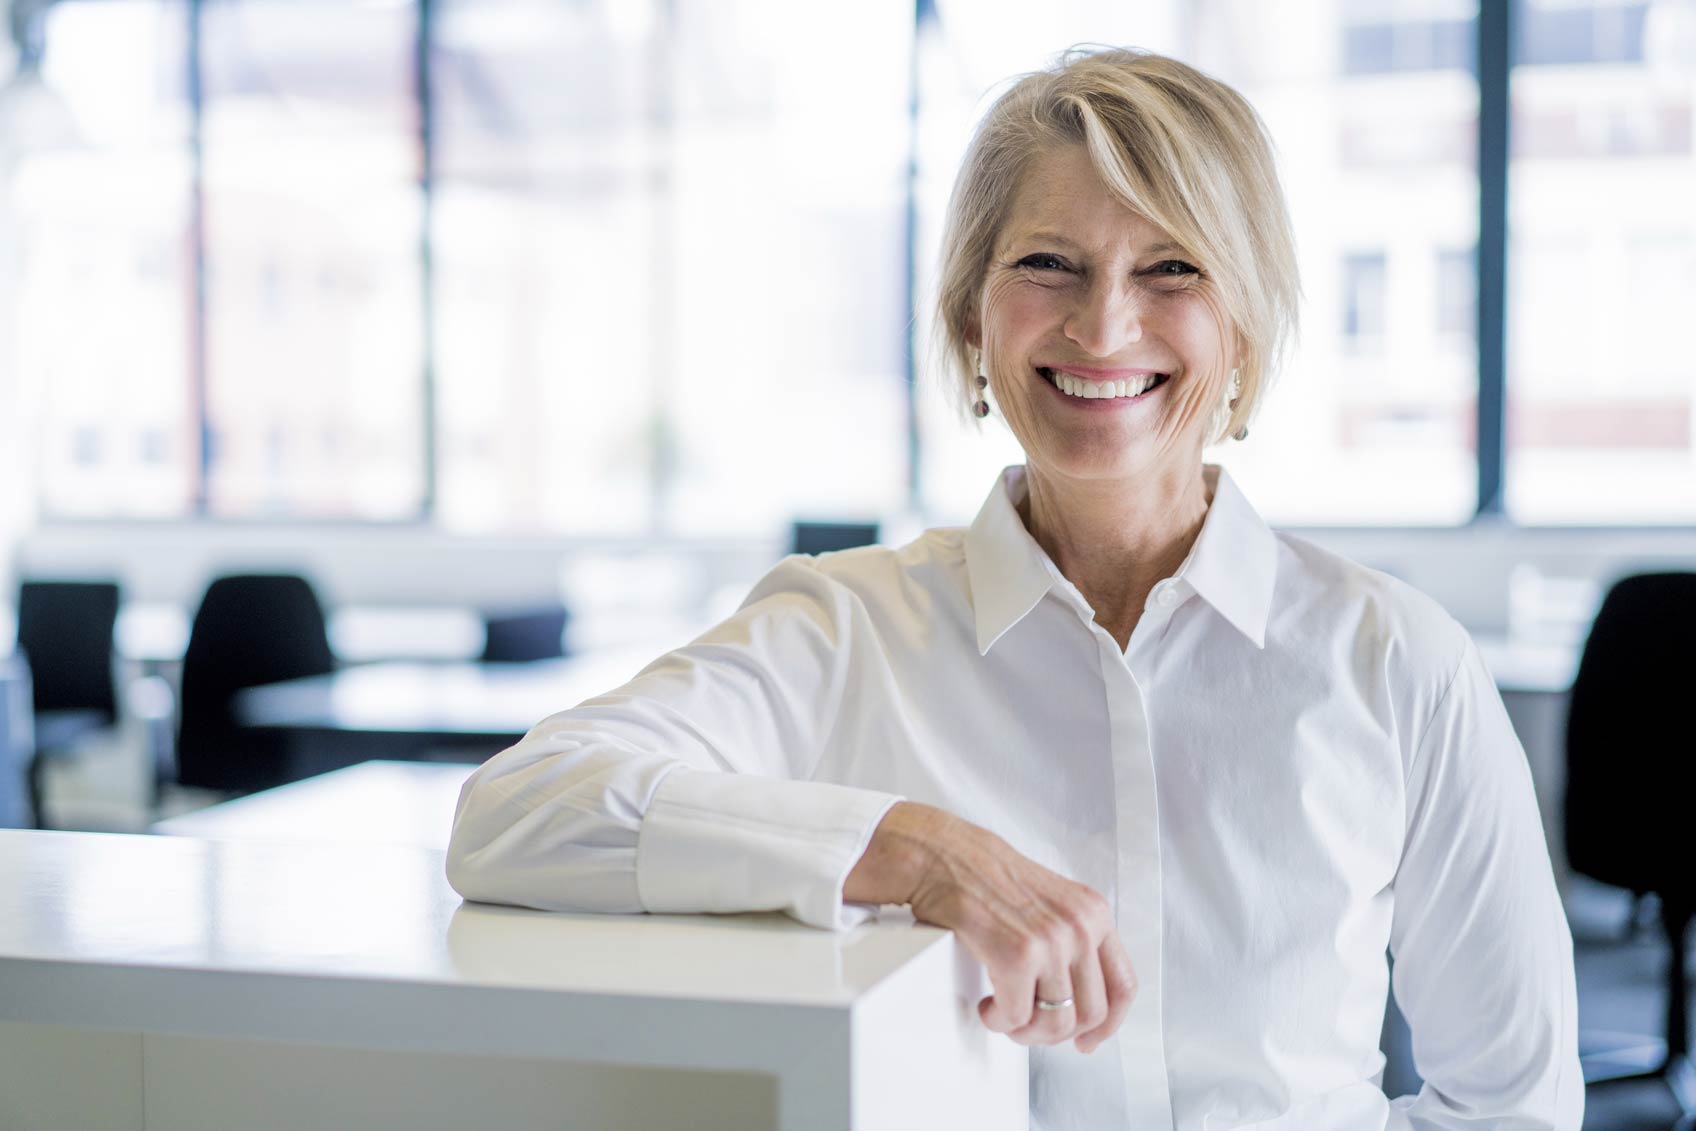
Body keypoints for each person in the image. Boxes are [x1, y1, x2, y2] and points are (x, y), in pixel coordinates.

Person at [447, 46, 1583, 1130]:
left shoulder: (1395, 659)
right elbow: (519, 811)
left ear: (1242, 329)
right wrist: (917, 850)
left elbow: (1510, 1104)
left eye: (1171, 268)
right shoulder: (844, 628)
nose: (1103, 324)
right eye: (1048, 265)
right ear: (968, 317)